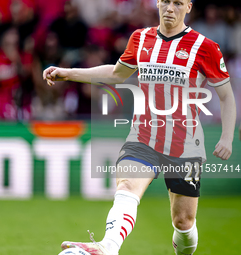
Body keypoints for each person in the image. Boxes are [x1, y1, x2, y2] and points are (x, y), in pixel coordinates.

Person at [43, 1, 236, 255]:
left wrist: (227, 137)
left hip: (185, 144)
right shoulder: (140, 38)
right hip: (143, 136)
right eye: (165, 1)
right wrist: (68, 73)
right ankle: (107, 247)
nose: (169, 8)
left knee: (183, 222)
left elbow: (226, 96)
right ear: (158, 3)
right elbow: (115, 74)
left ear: (188, 7)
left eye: (177, 3)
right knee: (126, 187)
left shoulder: (205, 47)